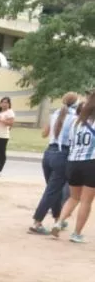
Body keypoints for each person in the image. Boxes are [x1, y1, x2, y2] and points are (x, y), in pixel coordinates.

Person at [29, 92, 77, 235]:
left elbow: (44, 133)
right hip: (62, 155)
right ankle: (37, 222)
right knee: (52, 191)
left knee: (54, 189)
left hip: (49, 153)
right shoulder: (75, 118)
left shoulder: (55, 114)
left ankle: (58, 218)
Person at [52, 89, 95, 243]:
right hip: (91, 163)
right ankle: (76, 233)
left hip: (73, 162)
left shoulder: (76, 123)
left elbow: (70, 143)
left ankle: (59, 222)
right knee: (86, 201)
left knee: (73, 197)